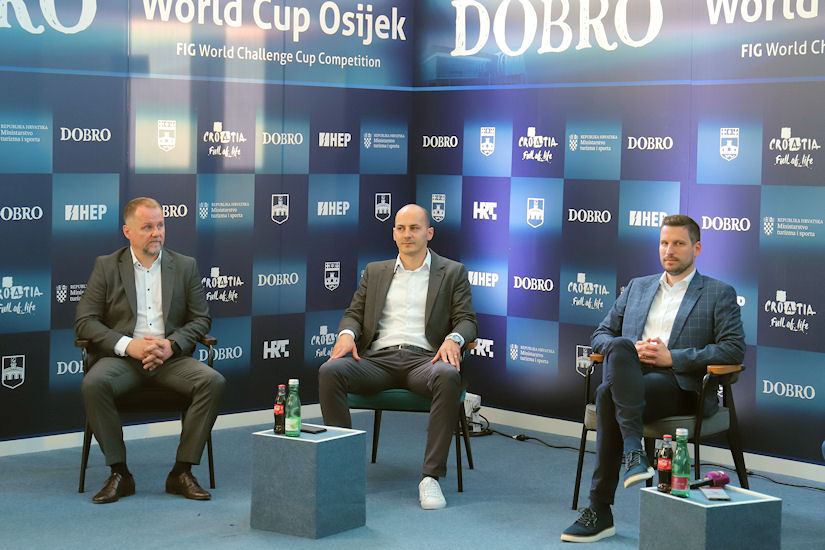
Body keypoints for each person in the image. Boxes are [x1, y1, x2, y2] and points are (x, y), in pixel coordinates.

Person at [561, 214, 745, 543]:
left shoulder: (718, 293)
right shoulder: (638, 287)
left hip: (681, 386)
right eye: (664, 243)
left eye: (678, 243)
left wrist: (672, 357)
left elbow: (733, 349)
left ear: (697, 248)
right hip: (632, 379)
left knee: (605, 394)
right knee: (619, 347)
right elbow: (600, 334)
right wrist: (631, 350)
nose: (669, 250)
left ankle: (601, 507)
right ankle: (633, 454)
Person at [318, 203, 477, 510]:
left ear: (429, 233)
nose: (407, 235)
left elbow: (466, 320)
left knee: (448, 375)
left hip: (425, 361)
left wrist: (454, 339)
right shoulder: (375, 271)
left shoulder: (452, 272)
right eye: (401, 229)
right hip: (378, 361)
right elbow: (354, 313)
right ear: (393, 234)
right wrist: (347, 333)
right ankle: (342, 469)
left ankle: (430, 478)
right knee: (330, 371)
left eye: (415, 228)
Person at [76, 197, 226, 504]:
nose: (156, 233)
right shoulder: (107, 266)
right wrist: (128, 345)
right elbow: (85, 322)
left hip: (170, 360)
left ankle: (181, 472)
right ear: (128, 231)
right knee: (94, 383)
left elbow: (201, 319)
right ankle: (120, 474)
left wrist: (172, 345)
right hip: (122, 360)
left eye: (160, 226)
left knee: (213, 382)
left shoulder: (184, 266)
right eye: (147, 227)